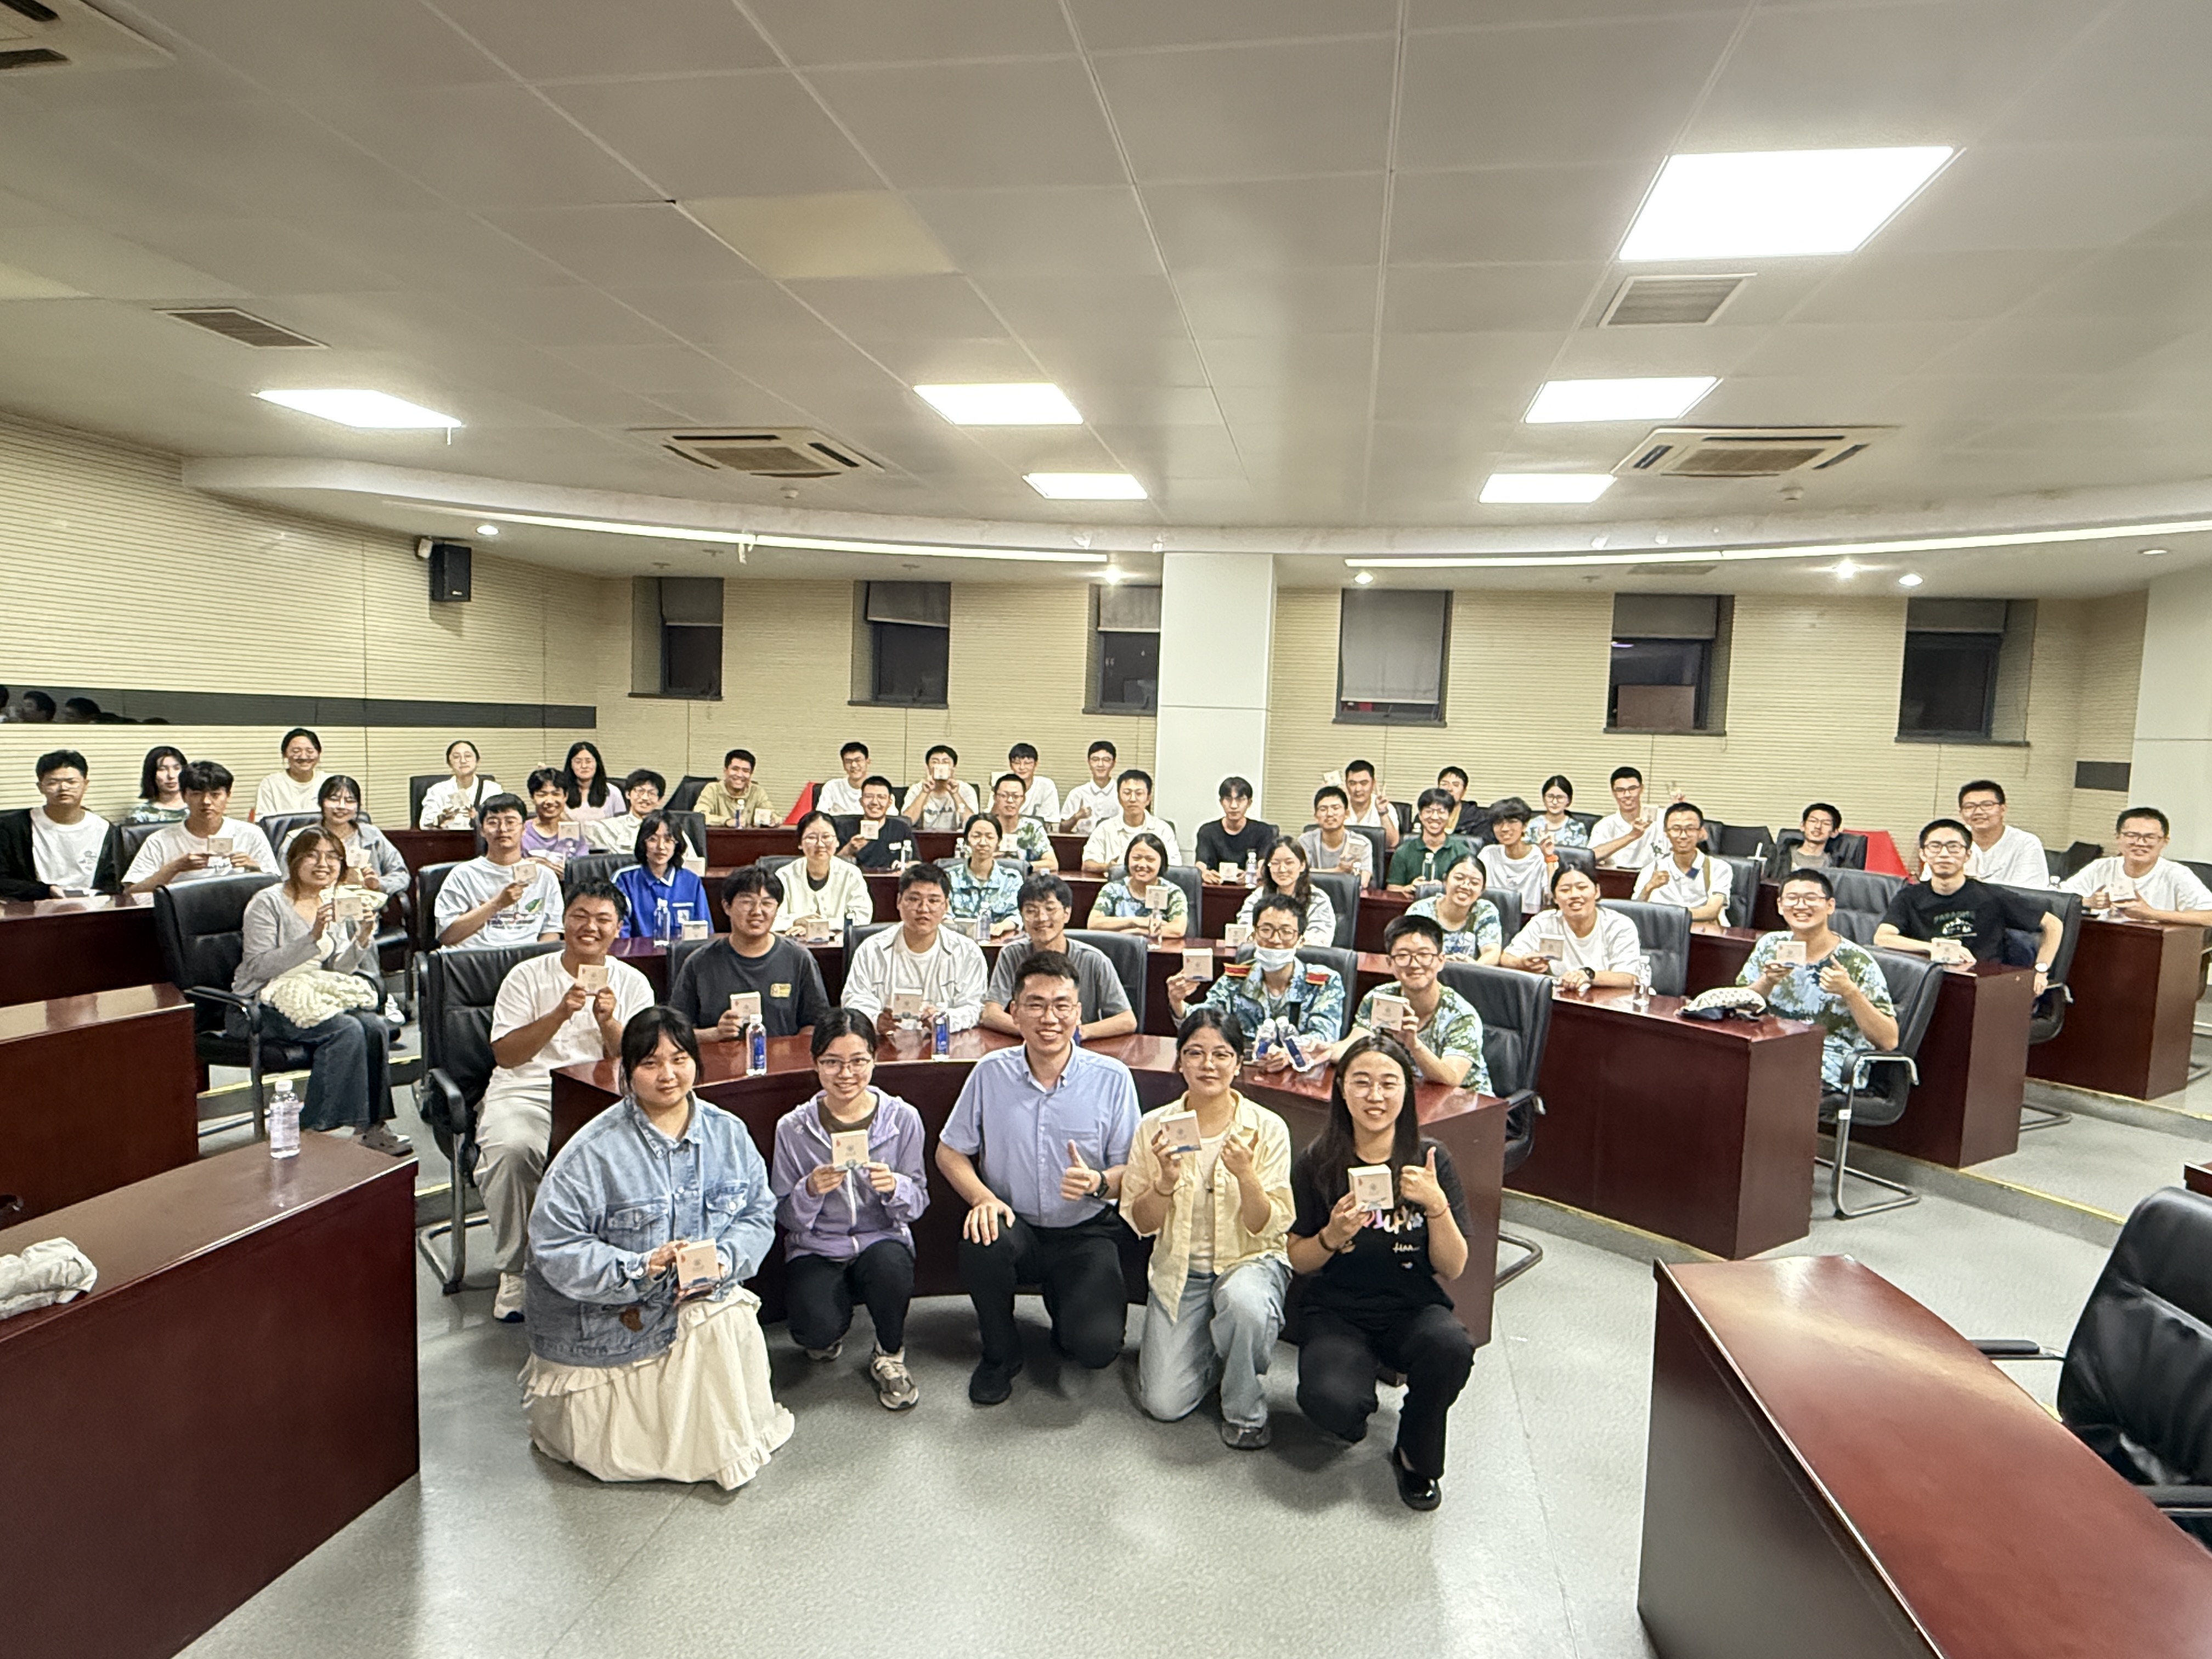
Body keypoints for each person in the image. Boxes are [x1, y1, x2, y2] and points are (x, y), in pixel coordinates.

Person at [521, 1006, 791, 1488]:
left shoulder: (728, 1132)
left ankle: (714, 1451)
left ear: (697, 1065)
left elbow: (757, 1213)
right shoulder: (590, 1152)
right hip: (611, 1315)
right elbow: (555, 1247)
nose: (667, 1075)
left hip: (697, 1297)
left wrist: (723, 1260)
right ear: (626, 1073)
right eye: (650, 1063)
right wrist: (640, 1265)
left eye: (679, 1059)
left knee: (723, 1318)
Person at [936, 950, 1141, 1404]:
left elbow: (1133, 1171)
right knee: (982, 1236)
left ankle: (1066, 1307)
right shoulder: (990, 1073)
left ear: (1079, 1013)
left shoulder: (1112, 1078)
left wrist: (1098, 1182)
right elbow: (950, 1151)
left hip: (1085, 1231)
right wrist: (983, 1199)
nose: (1050, 1018)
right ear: (1014, 1012)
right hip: (1016, 1225)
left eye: (1061, 1005)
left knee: (1095, 1348)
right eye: (1036, 1004)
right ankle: (1000, 1355)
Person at [1287, 1034, 1474, 1510]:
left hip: (1412, 1307)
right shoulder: (1316, 1163)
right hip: (1338, 1310)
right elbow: (1298, 1258)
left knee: (1451, 1347)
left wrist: (1436, 1206)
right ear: (1342, 1089)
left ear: (1407, 1092)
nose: (1375, 1096)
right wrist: (1331, 1235)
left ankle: (1414, 1447)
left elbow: (1453, 1267)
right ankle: (1353, 1398)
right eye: (1362, 1082)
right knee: (1330, 1401)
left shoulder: (1430, 1160)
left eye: (1389, 1083)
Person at [479, 879, 655, 1321]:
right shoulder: (526, 976)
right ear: (563, 920)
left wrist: (609, 1023)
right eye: (580, 916)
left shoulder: (633, 982)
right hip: (528, 1091)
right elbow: (507, 1055)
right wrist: (559, 1013)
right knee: (513, 1151)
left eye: (603, 920)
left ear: (619, 928)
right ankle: (516, 1271)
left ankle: (619, 1267)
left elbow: (642, 1062)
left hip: (605, 1097)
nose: (590, 927)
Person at [1121, 1008, 1294, 1448]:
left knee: (1244, 1304)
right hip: (1183, 1272)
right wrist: (1164, 1183)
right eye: (1195, 1053)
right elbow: (1141, 1223)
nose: (1208, 1065)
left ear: (1238, 1063)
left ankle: (1245, 1410)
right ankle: (1219, 1348)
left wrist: (1246, 1176)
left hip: (1249, 1261)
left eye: (1221, 1054)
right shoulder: (1154, 1127)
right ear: (1180, 1061)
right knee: (1163, 1404)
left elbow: (1264, 1225)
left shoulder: (1267, 1129)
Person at [769, 1010, 927, 1409]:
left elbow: (918, 1203)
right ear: (815, 1063)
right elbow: (784, 1216)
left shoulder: (903, 1118)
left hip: (882, 1238)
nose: (846, 1074)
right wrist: (809, 1190)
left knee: (891, 1266)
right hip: (818, 1246)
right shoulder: (793, 1128)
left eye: (858, 1061)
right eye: (832, 1062)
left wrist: (895, 1187)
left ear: (875, 1059)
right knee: (814, 1334)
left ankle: (890, 1353)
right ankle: (829, 1327)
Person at [232, 826, 409, 1157]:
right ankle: (316, 1132)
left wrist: (363, 937)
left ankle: (372, 1126)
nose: (323, 864)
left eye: (332, 857)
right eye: (312, 855)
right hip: (262, 1000)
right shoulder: (268, 902)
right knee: (346, 1030)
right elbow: (257, 967)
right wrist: (312, 937)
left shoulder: (333, 900)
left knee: (373, 1026)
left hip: (312, 994)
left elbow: (337, 971)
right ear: (294, 860)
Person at [1737, 871, 1900, 1091]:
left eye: (1811, 898)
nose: (1801, 905)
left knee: (1769, 1082)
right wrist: (1767, 982)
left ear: (1830, 906)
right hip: (1770, 1048)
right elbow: (1738, 1008)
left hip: (1828, 1061)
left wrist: (1850, 992)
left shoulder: (1857, 961)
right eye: (1792, 898)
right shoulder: (1769, 945)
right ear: (1780, 906)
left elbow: (1889, 1041)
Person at [1166, 893, 1346, 1064]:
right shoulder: (1235, 980)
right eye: (1266, 930)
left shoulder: (1324, 982)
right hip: (1247, 1071)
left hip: (1302, 1073)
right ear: (1253, 935)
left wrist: (1287, 1054)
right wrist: (1177, 1002)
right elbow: (1205, 1021)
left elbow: (1324, 1037)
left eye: (1286, 932)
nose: (1275, 940)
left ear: (1300, 940)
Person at [1878, 819, 2059, 989]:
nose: (1944, 854)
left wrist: (2041, 970)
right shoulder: (1909, 896)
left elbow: (2053, 925)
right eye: (1935, 847)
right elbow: (1882, 938)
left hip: (1982, 985)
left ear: (1968, 855)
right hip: (1929, 982)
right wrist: (1933, 948)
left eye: (1953, 847)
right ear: (1923, 854)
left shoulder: (1992, 896)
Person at [668, 864, 834, 1040]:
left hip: (783, 1057)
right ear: (727, 907)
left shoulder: (799, 959)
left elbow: (817, 1025)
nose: (757, 912)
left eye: (767, 903)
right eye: (747, 902)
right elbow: (674, 1032)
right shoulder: (699, 962)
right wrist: (714, 1034)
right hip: (718, 1056)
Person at [1333, 915, 1489, 1090]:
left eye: (1424, 955)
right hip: (1409, 1093)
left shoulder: (1461, 1015)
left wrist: (1413, 1044)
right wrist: (1327, 1051)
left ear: (1441, 961)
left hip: (1465, 1100)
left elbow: (1451, 1079)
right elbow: (1357, 1041)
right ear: (1390, 963)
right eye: (1403, 956)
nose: (1414, 964)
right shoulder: (1379, 997)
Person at [979, 873, 1137, 1040]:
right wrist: (1036, 1033)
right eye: (1031, 911)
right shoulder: (1011, 955)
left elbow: (1127, 1020)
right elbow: (991, 1014)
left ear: (1067, 913)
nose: (1041, 918)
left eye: (1050, 909)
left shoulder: (1094, 960)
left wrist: (1077, 1033)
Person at [841, 863, 988, 1034]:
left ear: (946, 906)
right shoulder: (872, 950)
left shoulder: (968, 953)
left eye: (933, 901)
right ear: (899, 901)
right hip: (884, 1042)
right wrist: (874, 1019)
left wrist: (943, 1020)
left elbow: (974, 1007)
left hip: (944, 1043)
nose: (923, 909)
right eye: (914, 899)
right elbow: (854, 999)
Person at [433, 793, 564, 949]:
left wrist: (535, 960)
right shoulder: (463, 874)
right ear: (482, 830)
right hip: (473, 957)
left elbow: (551, 932)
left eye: (510, 822)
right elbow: (447, 935)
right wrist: (498, 904)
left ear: (524, 828)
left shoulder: (544, 876)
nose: (502, 829)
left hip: (525, 959)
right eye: (493, 823)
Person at [125, 761, 276, 893]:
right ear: (184, 796)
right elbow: (132, 891)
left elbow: (276, 885)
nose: (206, 802)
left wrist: (256, 869)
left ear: (228, 796)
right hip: (182, 912)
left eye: (215, 795)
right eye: (197, 794)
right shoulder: (159, 840)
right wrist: (175, 867)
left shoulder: (251, 833)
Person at [1501, 865, 1644, 989]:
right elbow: (1506, 958)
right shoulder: (1544, 922)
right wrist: (1522, 963)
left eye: (1582, 888)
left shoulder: (1619, 925)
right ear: (1555, 898)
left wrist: (1588, 975)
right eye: (1565, 890)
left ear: (1597, 891)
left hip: (1608, 1002)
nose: (1574, 895)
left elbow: (1628, 978)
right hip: (1559, 1000)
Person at [2062, 807, 2212, 924]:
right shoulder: (2101, 867)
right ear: (2118, 838)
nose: (2140, 843)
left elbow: (2209, 917)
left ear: (2164, 842)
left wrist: (2151, 914)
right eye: (2132, 836)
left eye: (2149, 837)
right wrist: (2087, 902)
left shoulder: (2177, 874)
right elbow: (2057, 900)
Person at [0, 749, 113, 900]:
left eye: (71, 782)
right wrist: (44, 891)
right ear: (40, 787)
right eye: (53, 782)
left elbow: (114, 882)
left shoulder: (104, 828)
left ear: (85, 785)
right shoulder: (13, 827)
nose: (63, 788)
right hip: (36, 905)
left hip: (93, 906)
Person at [289, 775, 408, 899]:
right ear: (321, 802)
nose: (342, 806)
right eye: (334, 799)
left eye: (350, 801)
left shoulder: (372, 836)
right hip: (312, 906)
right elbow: (285, 883)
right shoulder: (298, 838)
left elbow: (401, 875)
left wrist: (378, 884)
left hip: (365, 908)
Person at [774, 810, 873, 934]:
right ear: (800, 844)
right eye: (812, 838)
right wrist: (796, 921)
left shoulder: (851, 874)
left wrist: (817, 925)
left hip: (840, 944)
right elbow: (771, 918)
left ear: (837, 842)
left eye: (826, 837)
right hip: (793, 943)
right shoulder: (784, 876)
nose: (820, 844)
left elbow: (862, 917)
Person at [613, 812, 709, 940]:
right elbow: (619, 933)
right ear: (643, 843)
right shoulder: (624, 880)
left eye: (668, 840)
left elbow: (703, 931)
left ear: (677, 845)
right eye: (653, 839)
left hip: (682, 953)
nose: (661, 847)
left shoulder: (691, 881)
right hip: (637, 952)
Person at [1633, 802, 1731, 923]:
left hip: (1704, 931)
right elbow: (1635, 911)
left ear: (1701, 832)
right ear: (1666, 832)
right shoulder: (1651, 869)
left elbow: (1711, 911)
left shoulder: (1719, 868)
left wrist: (1664, 915)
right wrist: (1648, 888)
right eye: (1676, 829)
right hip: (1664, 931)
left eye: (1690, 829)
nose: (1683, 836)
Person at [1232, 836, 1335, 946]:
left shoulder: (1317, 899)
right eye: (1275, 863)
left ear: (1302, 866)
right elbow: (1245, 930)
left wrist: (1284, 944)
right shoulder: (1258, 896)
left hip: (1302, 955)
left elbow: (1320, 940)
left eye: (1289, 863)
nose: (1282, 869)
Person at [1944, 779, 2049, 888]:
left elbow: (2031, 890)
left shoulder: (2026, 843)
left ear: (2003, 809)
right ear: (1961, 813)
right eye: (1970, 807)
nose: (1978, 812)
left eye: (1987, 805)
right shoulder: (1949, 841)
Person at [1086, 831, 1188, 940]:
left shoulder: (1173, 892)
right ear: (1127, 860)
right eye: (1136, 858)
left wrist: (1139, 932)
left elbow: (1178, 929)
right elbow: (1093, 924)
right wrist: (1134, 921)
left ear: (1162, 863)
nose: (1142, 865)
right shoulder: (1112, 890)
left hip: (1161, 948)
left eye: (1150, 859)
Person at [1407, 852, 1503, 964]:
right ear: (1445, 880)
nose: (1465, 886)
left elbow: (1492, 952)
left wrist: (1473, 968)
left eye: (1474, 883)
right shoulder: (1420, 910)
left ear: (1482, 890)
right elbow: (1409, 950)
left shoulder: (1485, 910)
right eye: (1459, 878)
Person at [1080, 768, 1181, 872]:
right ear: (1119, 797)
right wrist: (1109, 868)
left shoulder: (1163, 829)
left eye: (1139, 793)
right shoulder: (1105, 828)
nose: (1133, 799)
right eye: (1127, 793)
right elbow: (1087, 865)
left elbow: (1175, 867)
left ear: (1148, 799)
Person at [1385, 788, 1473, 893]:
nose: (1435, 817)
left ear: (1449, 816)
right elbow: (1392, 889)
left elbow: (1468, 891)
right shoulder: (1403, 852)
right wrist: (1408, 888)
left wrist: (1444, 888)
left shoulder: (1463, 853)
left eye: (1441, 812)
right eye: (1429, 811)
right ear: (1420, 816)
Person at [946, 814, 1022, 936]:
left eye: (990, 837)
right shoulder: (950, 877)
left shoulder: (1011, 879)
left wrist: (1001, 926)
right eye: (976, 836)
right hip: (957, 940)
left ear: (999, 842)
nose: (983, 843)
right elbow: (944, 914)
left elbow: (1017, 915)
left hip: (999, 940)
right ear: (967, 840)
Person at [1476, 797, 1548, 916]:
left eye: (1512, 822)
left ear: (1524, 826)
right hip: (1492, 916)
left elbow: (1551, 896)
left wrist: (1550, 860)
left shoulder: (1541, 856)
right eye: (1498, 823)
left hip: (1530, 918)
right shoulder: (1488, 854)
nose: (1505, 829)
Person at [1194, 776, 1275, 881]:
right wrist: (1204, 873)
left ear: (1249, 803)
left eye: (1240, 800)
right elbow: (1200, 864)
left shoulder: (1264, 831)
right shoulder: (1207, 831)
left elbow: (1263, 865)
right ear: (1221, 802)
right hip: (1215, 886)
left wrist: (1254, 874)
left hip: (1250, 886)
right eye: (1228, 799)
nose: (1234, 806)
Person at [1592, 766, 1667, 870]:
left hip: (1655, 875)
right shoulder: (1605, 825)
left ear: (1641, 789)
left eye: (1632, 789)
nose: (1627, 795)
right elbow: (1591, 857)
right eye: (1620, 790)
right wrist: (1632, 835)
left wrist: (1681, 812)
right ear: (1614, 793)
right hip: (1618, 876)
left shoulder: (1662, 817)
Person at [837, 775, 918, 871]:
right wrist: (849, 849)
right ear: (861, 801)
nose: (875, 802)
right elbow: (830, 864)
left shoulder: (901, 828)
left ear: (890, 802)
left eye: (881, 797)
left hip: (890, 879)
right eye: (869, 797)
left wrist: (905, 866)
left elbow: (917, 862)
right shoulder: (844, 827)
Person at [1300, 783, 1375, 885]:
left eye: (1335, 808)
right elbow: (1299, 874)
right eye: (1323, 809)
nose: (1330, 814)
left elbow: (1363, 882)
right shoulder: (1305, 841)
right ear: (1316, 816)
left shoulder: (1362, 843)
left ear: (1347, 814)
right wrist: (1337, 872)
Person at [419, 738, 499, 830]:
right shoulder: (438, 791)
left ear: (477, 760)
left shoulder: (492, 789)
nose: (463, 761)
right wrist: (440, 819)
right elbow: (424, 825)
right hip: (448, 837)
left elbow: (500, 823)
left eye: (468, 756)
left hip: (481, 838)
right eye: (457, 757)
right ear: (449, 763)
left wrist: (478, 818)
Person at [251, 727, 328, 820]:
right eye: (296, 751)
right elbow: (264, 822)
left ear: (319, 753)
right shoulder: (270, 784)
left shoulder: (328, 782)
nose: (304, 757)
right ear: (285, 754)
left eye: (310, 751)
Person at [520, 767, 589, 868]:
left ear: (565, 796)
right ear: (532, 798)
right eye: (542, 795)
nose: (550, 801)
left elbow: (582, 870)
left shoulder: (574, 831)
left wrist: (548, 866)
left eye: (556, 794)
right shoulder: (522, 832)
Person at [585, 769, 667, 853]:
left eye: (652, 793)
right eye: (640, 791)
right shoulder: (606, 828)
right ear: (628, 794)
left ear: (660, 800)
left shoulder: (668, 829)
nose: (645, 798)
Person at [986, 773, 1056, 870]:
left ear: (1023, 800)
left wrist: (1022, 866)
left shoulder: (1032, 827)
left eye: (1016, 796)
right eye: (1004, 796)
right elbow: (968, 861)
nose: (1010, 800)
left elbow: (1052, 864)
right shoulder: (984, 826)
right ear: (995, 798)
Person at [906, 743, 978, 832]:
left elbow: (973, 824)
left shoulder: (966, 790)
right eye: (935, 762)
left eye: (946, 762)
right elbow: (906, 822)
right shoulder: (916, 790)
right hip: (923, 838)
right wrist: (925, 793)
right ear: (928, 767)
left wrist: (955, 794)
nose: (940, 767)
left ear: (954, 768)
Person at [697, 748, 777, 827]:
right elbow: (698, 817)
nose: (739, 775)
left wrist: (772, 820)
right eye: (735, 769)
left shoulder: (757, 791)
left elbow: (775, 816)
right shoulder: (713, 789)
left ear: (751, 774)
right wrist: (726, 821)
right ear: (725, 770)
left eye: (746, 771)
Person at [1058, 740, 1119, 836]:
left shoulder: (1121, 793)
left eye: (1106, 760)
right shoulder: (1077, 794)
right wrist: (1076, 817)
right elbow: (1062, 829)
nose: (1100, 765)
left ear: (1114, 763)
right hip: (1083, 843)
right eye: (1095, 760)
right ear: (1089, 762)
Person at [1774, 802, 1845, 877]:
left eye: (1826, 823)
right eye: (1813, 821)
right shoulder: (1779, 856)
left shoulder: (1837, 865)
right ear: (1802, 826)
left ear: (1834, 832)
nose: (1818, 826)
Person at [1342, 759, 1401, 850]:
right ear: (1346, 784)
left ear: (1373, 783)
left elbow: (1392, 843)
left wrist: (1382, 812)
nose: (1358, 789)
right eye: (1353, 783)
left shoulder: (1386, 807)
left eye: (1364, 783)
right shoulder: (1339, 806)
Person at [126, 744, 189, 825]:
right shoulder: (141, 815)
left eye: (177, 768)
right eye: (163, 769)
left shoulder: (198, 809)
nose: (171, 776)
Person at [561, 741, 616, 826]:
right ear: (571, 765)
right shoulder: (561, 792)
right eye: (578, 762)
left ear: (597, 763)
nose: (584, 766)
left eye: (589, 761)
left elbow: (622, 826)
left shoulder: (612, 792)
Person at [814, 741, 872, 817]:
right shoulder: (832, 787)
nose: (854, 765)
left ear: (868, 762)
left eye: (858, 760)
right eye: (848, 762)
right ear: (843, 765)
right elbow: (820, 818)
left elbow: (888, 819)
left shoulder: (879, 789)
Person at [1006, 742, 1058, 825]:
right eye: (1017, 763)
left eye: (1027, 763)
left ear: (1036, 764)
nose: (1022, 767)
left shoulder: (1046, 786)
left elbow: (1050, 820)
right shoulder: (1003, 784)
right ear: (1011, 765)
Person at [1536, 775, 1588, 850]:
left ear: (1569, 800)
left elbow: (1581, 856)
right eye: (1550, 796)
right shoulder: (1532, 826)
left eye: (1560, 797)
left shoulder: (1578, 829)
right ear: (1544, 798)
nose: (1555, 802)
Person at [1436, 766, 1487, 839]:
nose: (1449, 789)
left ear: (1464, 791)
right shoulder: (1427, 814)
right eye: (1444, 784)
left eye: (1456, 785)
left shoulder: (1477, 817)